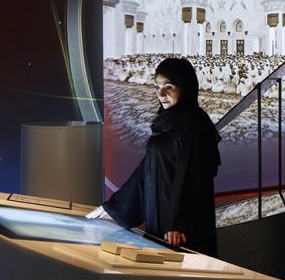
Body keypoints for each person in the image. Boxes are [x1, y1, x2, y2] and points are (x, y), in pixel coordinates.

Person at [89, 56, 222, 254]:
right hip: (162, 216)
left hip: (179, 229)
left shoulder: (194, 125)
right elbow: (146, 169)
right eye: (157, 87)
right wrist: (113, 208)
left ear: (185, 87)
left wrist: (178, 222)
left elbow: (192, 177)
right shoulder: (168, 121)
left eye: (169, 87)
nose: (161, 94)